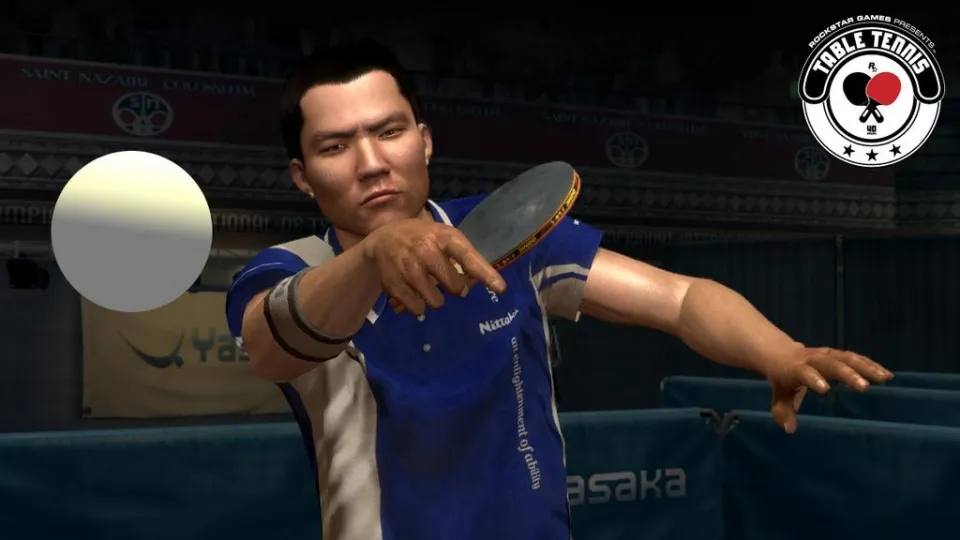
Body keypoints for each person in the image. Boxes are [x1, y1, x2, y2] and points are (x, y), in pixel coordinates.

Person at [225, 39, 893, 540]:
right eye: (336, 147)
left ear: (423, 142)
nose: (372, 163)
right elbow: (271, 347)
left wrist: (778, 351)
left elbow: (680, 298)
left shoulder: (510, 232)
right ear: (302, 176)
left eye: (390, 131)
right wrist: (375, 255)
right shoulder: (289, 270)